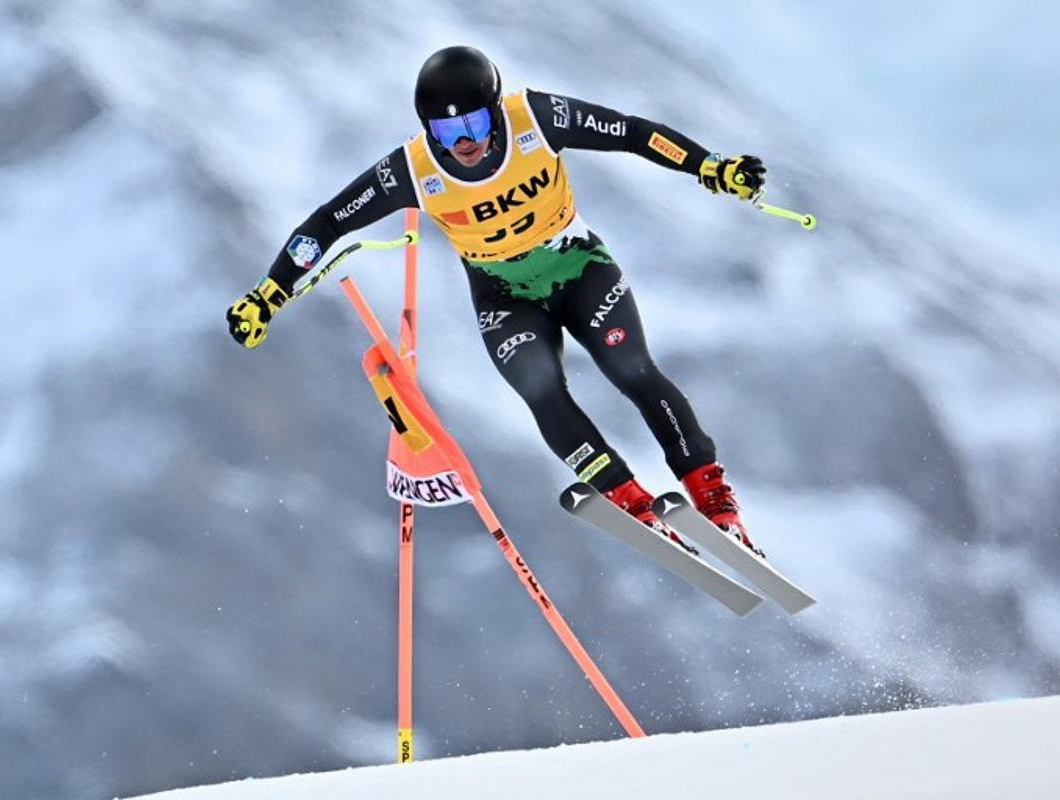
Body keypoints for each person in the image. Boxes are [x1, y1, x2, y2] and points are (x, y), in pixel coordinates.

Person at [227, 46, 768, 556]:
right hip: (505, 295)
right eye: (448, 130)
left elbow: (631, 133)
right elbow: (328, 222)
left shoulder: (536, 118)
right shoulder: (414, 170)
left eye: (476, 124)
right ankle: (630, 501)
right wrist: (269, 293)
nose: (464, 141)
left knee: (631, 369)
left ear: (495, 111)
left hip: (577, 266)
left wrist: (709, 166)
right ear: (428, 130)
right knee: (541, 391)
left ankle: (715, 501)